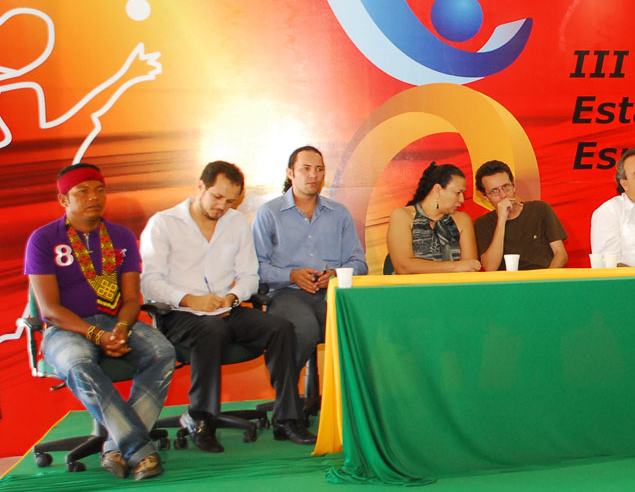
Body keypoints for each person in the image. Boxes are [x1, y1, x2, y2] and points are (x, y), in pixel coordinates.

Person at [141, 161, 316, 450]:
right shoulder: (164, 223)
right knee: (212, 329)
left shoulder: (236, 223)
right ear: (200, 187)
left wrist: (233, 297)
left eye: (230, 201)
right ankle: (201, 418)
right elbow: (150, 283)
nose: (222, 206)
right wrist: (190, 299)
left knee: (281, 328)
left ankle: (287, 418)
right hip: (180, 313)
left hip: (226, 308)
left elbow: (249, 275)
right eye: (217, 197)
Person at [23, 163, 174, 480]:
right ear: (64, 199)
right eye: (83, 191)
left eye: (100, 190)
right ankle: (139, 450)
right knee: (77, 362)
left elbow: (131, 299)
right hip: (66, 328)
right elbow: (49, 309)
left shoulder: (120, 236)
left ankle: (115, 448)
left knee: (162, 352)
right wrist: (95, 334)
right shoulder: (43, 239)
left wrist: (121, 328)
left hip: (115, 321)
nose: (94, 196)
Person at [252, 146, 367, 388]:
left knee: (360, 327)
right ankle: (286, 396)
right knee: (305, 330)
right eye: (305, 169)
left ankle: (350, 399)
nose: (313, 175)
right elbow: (256, 268)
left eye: (319, 169)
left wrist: (335, 274)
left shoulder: (339, 213)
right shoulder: (269, 213)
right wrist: (291, 275)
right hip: (286, 292)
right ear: (290, 173)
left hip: (330, 293)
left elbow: (358, 263)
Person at [385, 162, 481, 273]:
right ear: (438, 189)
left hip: (454, 284)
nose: (462, 199)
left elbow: (470, 268)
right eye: (458, 193)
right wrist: (456, 266)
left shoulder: (463, 220)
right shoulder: (402, 216)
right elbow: (403, 267)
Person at [473, 160, 568, 270]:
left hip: (543, 275)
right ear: (485, 197)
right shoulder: (482, 223)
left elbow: (561, 255)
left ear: (513, 186)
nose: (503, 195)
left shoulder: (540, 209)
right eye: (494, 191)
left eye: (506, 186)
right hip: (507, 279)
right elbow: (490, 268)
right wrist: (501, 221)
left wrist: (545, 278)